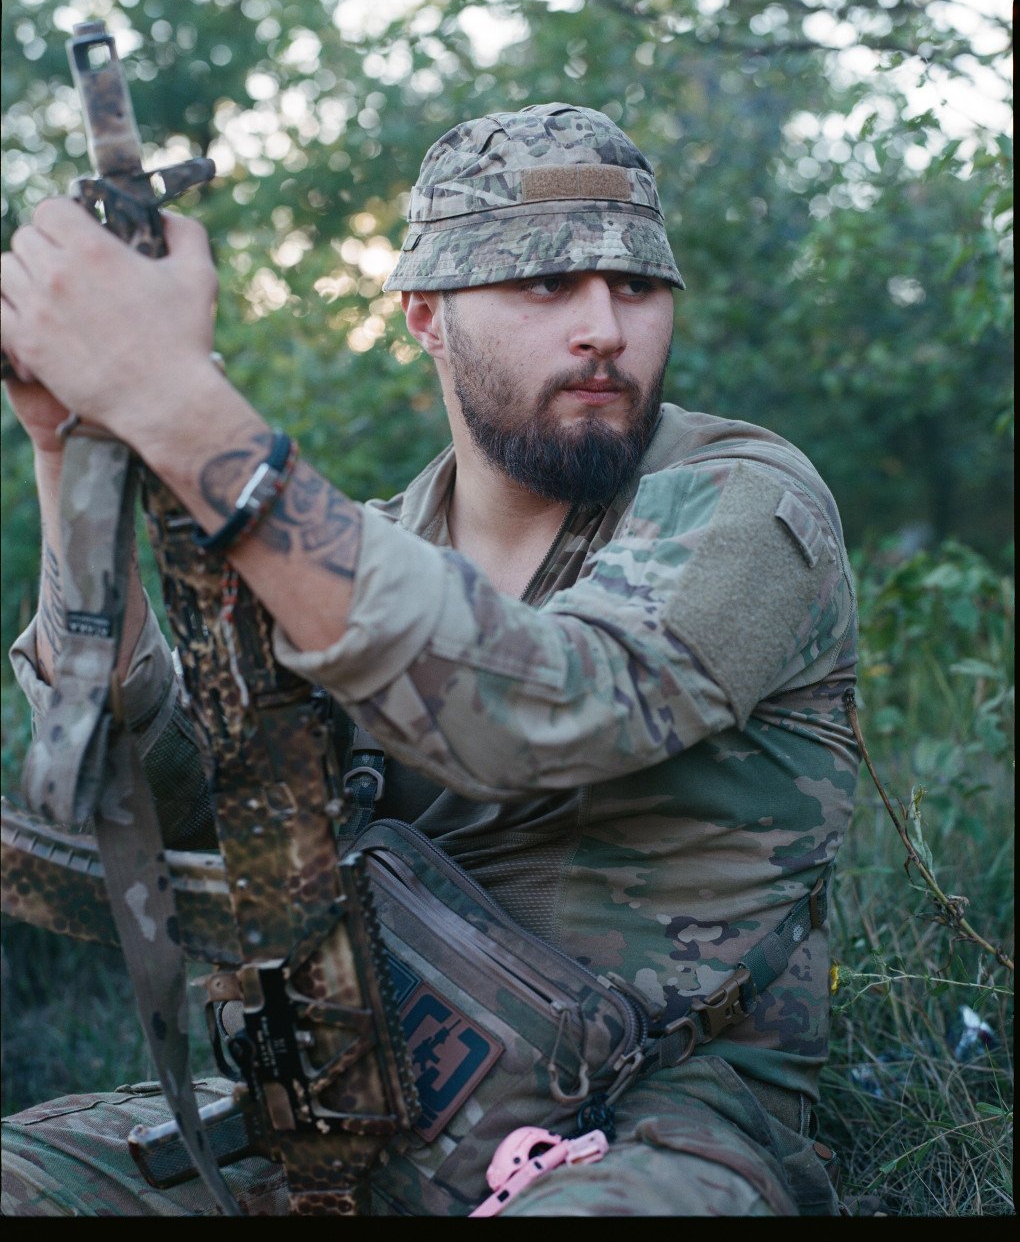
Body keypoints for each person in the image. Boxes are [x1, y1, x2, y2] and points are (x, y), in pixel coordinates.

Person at [0, 102, 858, 1217]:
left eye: (637, 285)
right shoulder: (363, 546)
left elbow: (547, 702)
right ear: (424, 314)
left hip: (649, 1127)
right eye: (544, 283)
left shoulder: (743, 500)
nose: (602, 324)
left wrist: (183, 408)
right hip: (341, 1108)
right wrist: (72, 442)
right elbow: (163, 799)